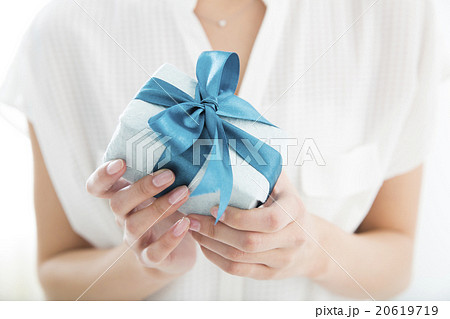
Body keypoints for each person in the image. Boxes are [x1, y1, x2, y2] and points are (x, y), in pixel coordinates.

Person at [0, 0, 440, 300]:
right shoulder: (62, 31)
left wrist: (313, 249)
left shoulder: (394, 16)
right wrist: (149, 266)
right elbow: (56, 277)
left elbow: (397, 263)